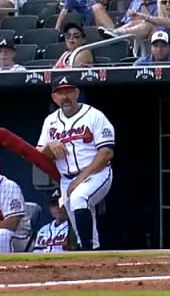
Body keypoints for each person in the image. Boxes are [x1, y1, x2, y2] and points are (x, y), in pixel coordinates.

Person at [36, 76, 115, 251]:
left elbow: (106, 152)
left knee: (80, 198)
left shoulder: (94, 115)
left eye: (69, 91)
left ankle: (86, 251)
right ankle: (91, 256)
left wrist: (80, 179)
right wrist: (50, 146)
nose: (65, 97)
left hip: (97, 173)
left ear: (77, 93)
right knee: (82, 233)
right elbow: (39, 152)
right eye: (60, 93)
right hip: (67, 179)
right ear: (54, 97)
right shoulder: (50, 121)